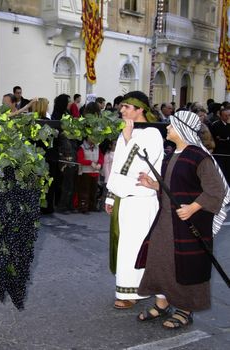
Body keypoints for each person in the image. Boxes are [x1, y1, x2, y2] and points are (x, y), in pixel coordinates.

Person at [135, 111, 230, 329]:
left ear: (182, 129)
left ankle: (185, 310)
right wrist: (154, 184)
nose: (167, 128)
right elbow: (175, 188)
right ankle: (162, 303)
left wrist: (193, 208)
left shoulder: (199, 157)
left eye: (171, 125)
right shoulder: (171, 155)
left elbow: (217, 191)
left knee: (188, 267)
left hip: (190, 224)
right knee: (160, 260)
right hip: (166, 221)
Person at [104, 91, 163, 309]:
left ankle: (137, 292)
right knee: (125, 248)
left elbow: (138, 168)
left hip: (141, 200)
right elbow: (117, 165)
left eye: (127, 107)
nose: (122, 110)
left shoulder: (152, 134)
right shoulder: (126, 133)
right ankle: (126, 289)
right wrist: (111, 196)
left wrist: (128, 138)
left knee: (137, 248)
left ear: (140, 110)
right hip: (124, 198)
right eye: (122, 106)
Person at [77, 138, 104, 214]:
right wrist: (90, 163)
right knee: (84, 191)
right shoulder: (82, 147)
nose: (93, 139)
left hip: (95, 171)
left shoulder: (97, 147)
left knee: (94, 191)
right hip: (85, 172)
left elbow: (101, 157)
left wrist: (99, 163)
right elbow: (80, 160)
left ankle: (92, 206)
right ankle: (83, 207)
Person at [210, 105, 230, 183]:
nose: (228, 117)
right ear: (221, 116)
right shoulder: (216, 125)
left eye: (229, 115)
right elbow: (221, 137)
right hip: (220, 153)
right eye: (226, 116)